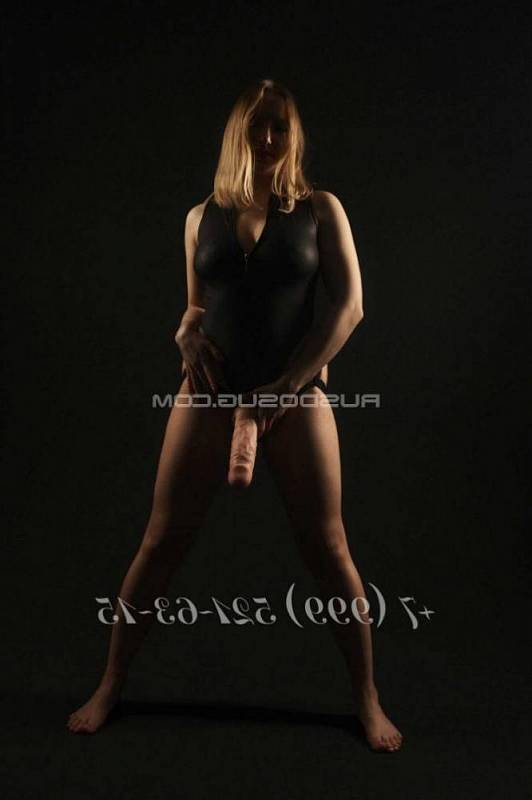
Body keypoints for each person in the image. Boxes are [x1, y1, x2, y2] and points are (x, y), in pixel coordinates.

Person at [67, 78, 403, 753]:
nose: (269, 137)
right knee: (161, 541)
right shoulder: (200, 217)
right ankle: (109, 685)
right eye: (258, 125)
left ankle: (367, 699)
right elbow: (197, 308)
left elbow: (350, 308)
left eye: (280, 126)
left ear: (293, 134)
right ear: (238, 133)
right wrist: (184, 335)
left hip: (293, 393)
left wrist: (291, 384)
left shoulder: (320, 209)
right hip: (211, 393)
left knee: (330, 548)